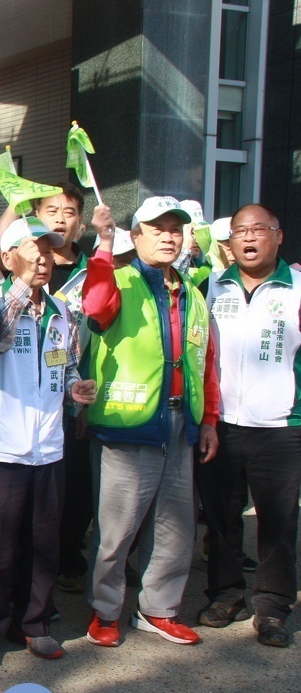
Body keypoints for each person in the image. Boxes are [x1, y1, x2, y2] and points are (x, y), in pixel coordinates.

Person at [82, 196, 219, 648]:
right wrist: (103, 244)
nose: (168, 236)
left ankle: (159, 609)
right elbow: (95, 308)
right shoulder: (117, 278)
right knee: (116, 528)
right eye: (156, 229)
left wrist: (211, 419)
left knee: (176, 524)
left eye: (175, 229)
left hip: (182, 423)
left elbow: (206, 362)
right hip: (129, 422)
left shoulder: (193, 294)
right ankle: (104, 612)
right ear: (136, 236)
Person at [0, 218, 96, 668]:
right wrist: (17, 285)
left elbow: (68, 365)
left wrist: (76, 389)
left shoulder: (62, 312)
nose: (43, 257)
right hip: (0, 446)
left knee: (43, 543)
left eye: (48, 249)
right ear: (8, 257)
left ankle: (34, 623)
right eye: (31, 248)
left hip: (49, 446)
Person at [197, 203, 301, 648]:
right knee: (221, 517)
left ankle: (273, 606)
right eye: (241, 231)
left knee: (277, 520)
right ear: (229, 241)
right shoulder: (210, 286)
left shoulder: (297, 286)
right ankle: (226, 595)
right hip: (221, 423)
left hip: (281, 425)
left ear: (278, 236)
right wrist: (206, 418)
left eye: (260, 230)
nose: (250, 238)